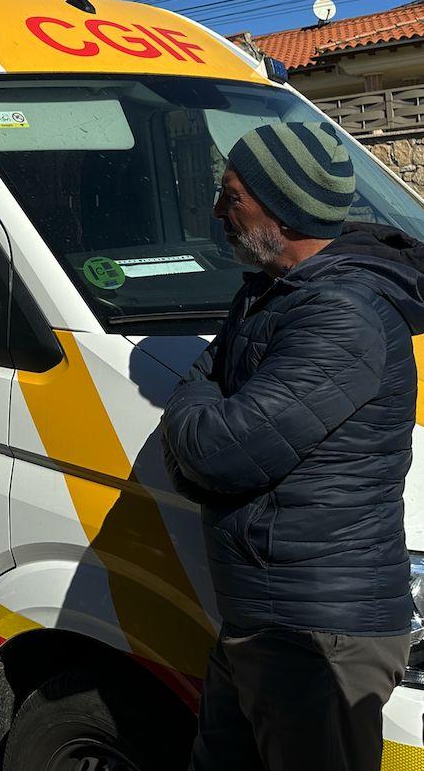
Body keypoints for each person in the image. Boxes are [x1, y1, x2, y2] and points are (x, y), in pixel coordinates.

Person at [162, 123, 422, 771]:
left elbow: (218, 450)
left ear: (284, 209)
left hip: (318, 636)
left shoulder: (342, 316)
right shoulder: (269, 290)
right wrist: (200, 408)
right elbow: (208, 390)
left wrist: (188, 416)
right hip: (264, 618)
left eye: (232, 196)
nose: (218, 211)